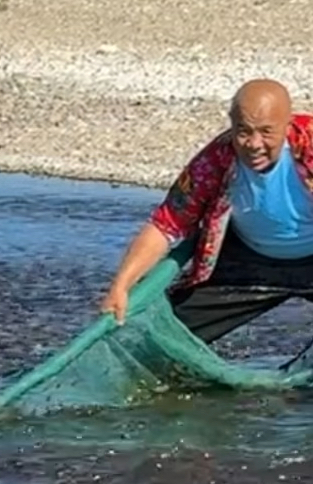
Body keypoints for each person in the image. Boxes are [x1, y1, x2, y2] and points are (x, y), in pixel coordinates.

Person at [101, 79, 313, 342]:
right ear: (231, 123)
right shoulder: (215, 159)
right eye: (243, 131)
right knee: (161, 337)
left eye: (267, 132)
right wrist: (121, 285)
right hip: (248, 261)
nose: (254, 144)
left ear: (287, 123)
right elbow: (165, 224)